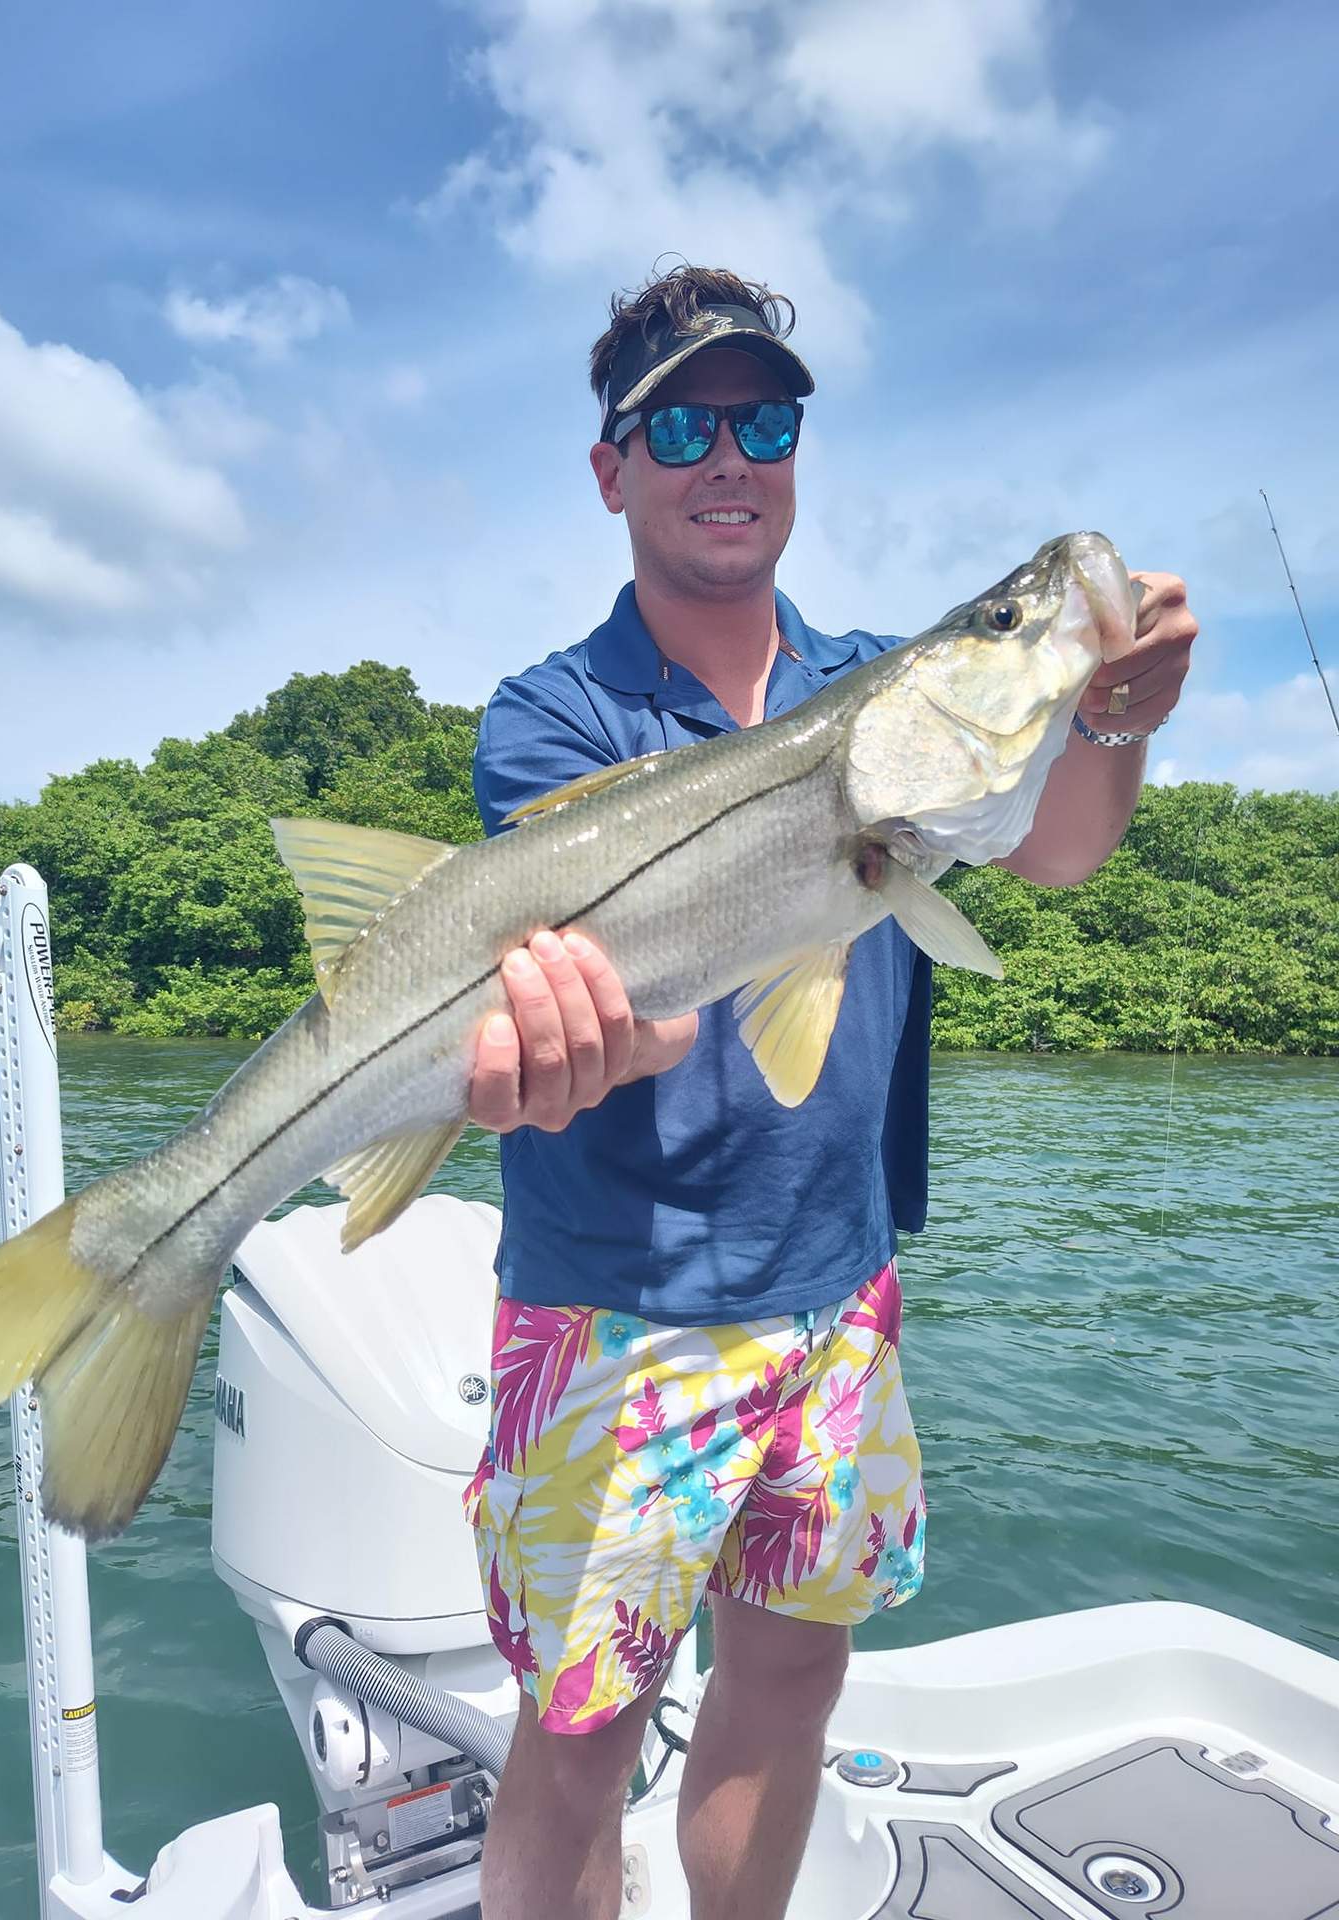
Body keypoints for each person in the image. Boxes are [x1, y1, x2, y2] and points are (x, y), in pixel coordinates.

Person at [461, 265, 1198, 1920]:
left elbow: (1067, 845)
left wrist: (1111, 705)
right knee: (580, 1736)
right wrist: (594, 1042)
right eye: (686, 425)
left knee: (791, 1688)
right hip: (613, 1309)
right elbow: (620, 1023)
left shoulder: (883, 680)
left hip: (840, 1296)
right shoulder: (554, 719)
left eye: (768, 420)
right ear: (615, 467)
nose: (732, 457)